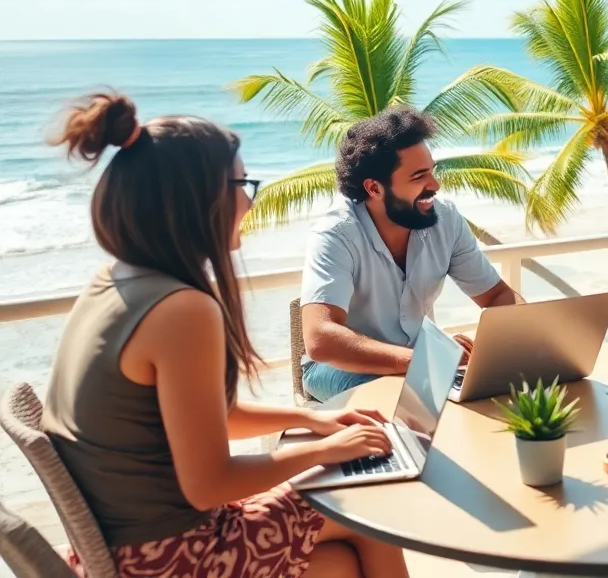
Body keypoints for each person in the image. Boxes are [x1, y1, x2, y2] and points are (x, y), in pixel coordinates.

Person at [42, 93, 408, 577]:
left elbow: (212, 416)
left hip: (124, 553)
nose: (248, 199)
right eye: (242, 183)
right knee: (368, 504)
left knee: (337, 562)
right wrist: (328, 451)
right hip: (172, 556)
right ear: (198, 197)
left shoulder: (114, 282)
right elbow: (209, 483)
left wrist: (312, 420)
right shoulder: (182, 310)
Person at [301, 106, 521, 402]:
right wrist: (425, 361)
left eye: (432, 171)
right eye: (419, 176)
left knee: (490, 397)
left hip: (415, 362)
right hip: (335, 369)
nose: (435, 185)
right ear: (374, 188)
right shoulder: (335, 234)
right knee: (415, 399)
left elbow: (498, 296)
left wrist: (487, 352)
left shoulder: (445, 220)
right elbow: (321, 340)